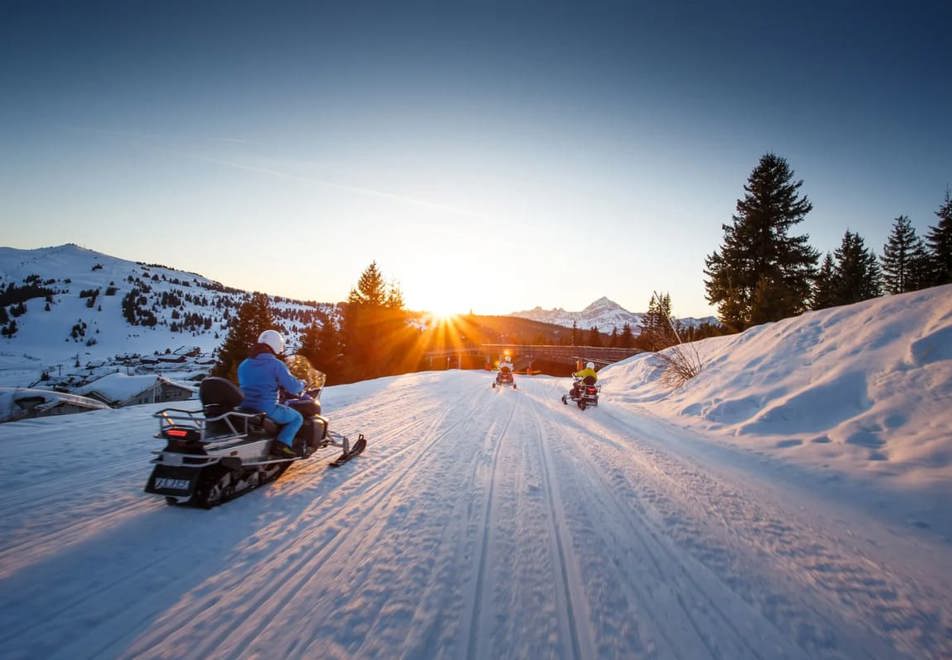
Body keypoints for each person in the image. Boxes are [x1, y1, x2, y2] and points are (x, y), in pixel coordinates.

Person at [237, 329, 306, 458]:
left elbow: (255, 382)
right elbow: (293, 387)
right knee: (297, 418)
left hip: (245, 407)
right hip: (266, 408)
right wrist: (303, 383)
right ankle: (282, 445)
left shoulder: (244, 364)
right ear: (276, 344)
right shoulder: (276, 364)